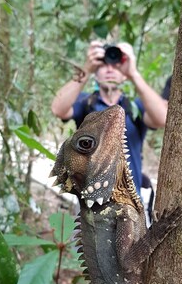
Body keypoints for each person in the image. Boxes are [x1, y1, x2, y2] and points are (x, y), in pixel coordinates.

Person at [51, 41, 168, 195]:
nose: (110, 69)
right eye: (103, 64)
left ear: (124, 75)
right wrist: (85, 70)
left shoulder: (134, 107)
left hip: (130, 201)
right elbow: (58, 109)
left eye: (116, 64)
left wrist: (133, 73)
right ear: (96, 72)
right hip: (91, 201)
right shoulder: (85, 103)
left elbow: (162, 118)